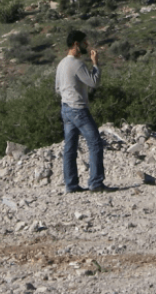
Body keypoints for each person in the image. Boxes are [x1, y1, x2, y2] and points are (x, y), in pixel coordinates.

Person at [54, 29, 108, 193]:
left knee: (70, 147)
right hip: (78, 109)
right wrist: (95, 64)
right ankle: (96, 183)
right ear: (76, 44)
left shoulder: (61, 63)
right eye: (85, 42)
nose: (87, 45)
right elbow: (94, 83)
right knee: (95, 143)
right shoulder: (77, 64)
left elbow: (57, 88)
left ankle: (71, 185)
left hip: (65, 108)